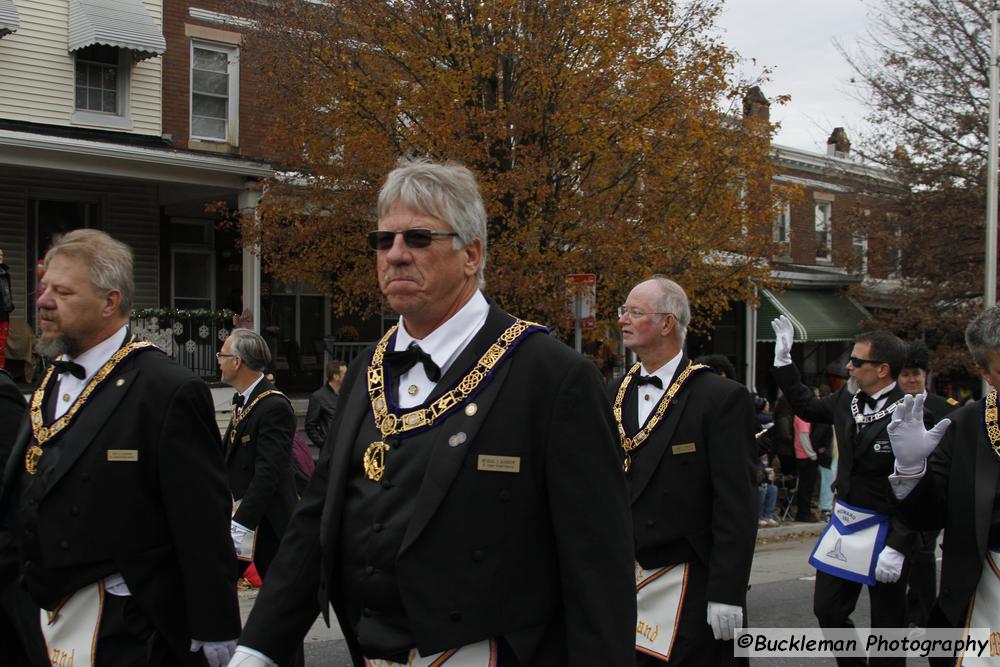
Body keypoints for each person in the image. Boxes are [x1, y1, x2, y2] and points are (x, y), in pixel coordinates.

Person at [229, 158, 635, 667]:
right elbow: (317, 519)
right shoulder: (364, 370)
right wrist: (259, 645)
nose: (395, 255)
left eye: (418, 238)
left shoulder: (553, 377)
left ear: (471, 254)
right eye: (384, 240)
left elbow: (598, 565)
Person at [0, 229, 239, 666]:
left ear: (110, 302)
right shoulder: (53, 375)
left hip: (126, 626)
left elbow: (200, 518)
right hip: (40, 614)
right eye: (44, 288)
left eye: (63, 291)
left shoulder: (165, 388)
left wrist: (213, 621)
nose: (43, 301)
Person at [616, 277, 757, 665]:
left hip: (690, 579)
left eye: (635, 312)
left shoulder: (720, 398)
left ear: (667, 323)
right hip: (624, 577)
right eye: (623, 311)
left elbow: (736, 503)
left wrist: (727, 592)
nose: (623, 320)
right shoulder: (611, 392)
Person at [771, 315, 913, 667]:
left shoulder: (910, 413)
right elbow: (804, 405)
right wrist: (784, 362)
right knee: (828, 610)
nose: (849, 366)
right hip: (847, 524)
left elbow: (917, 488)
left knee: (888, 628)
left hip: (888, 527)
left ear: (882, 369)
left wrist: (898, 546)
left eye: (857, 361)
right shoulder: (847, 403)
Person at [888, 320, 999, 656]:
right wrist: (910, 469)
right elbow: (928, 514)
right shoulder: (964, 427)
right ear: (984, 371)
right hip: (986, 590)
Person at [218, 328, 298, 581]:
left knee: (280, 603)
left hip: (267, 525)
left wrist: (240, 524)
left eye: (222, 354)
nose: (218, 360)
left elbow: (268, 473)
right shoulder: (243, 400)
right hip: (241, 517)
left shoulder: (273, 406)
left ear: (237, 362)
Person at [896, 340, 958, 629]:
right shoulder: (892, 408)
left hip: (932, 487)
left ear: (925, 376)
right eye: (905, 374)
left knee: (922, 553)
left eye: (916, 374)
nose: (911, 379)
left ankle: (924, 614)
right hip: (897, 490)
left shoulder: (944, 408)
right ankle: (907, 607)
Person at [305, 359, 346, 448]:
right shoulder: (318, 397)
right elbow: (310, 426)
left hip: (346, 447)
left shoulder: (347, 394)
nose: (348, 376)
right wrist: (324, 445)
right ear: (336, 376)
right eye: (345, 374)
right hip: (330, 450)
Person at [793, 405, 820, 523]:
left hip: (802, 454)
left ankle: (804, 511)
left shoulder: (798, 417)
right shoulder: (803, 418)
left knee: (805, 486)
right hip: (805, 455)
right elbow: (804, 436)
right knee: (806, 486)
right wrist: (812, 454)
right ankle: (804, 512)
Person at [814, 385, 837, 522]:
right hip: (828, 455)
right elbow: (818, 437)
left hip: (834, 454)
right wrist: (821, 449)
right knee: (828, 481)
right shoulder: (827, 420)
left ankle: (828, 508)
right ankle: (825, 508)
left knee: (831, 481)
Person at [0, 248, 12, 369]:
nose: (1, 257)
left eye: (2, 255)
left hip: (3, 313)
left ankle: (1, 371)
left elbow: (7, 294)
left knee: (1, 346)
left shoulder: (5, 273)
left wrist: (9, 307)